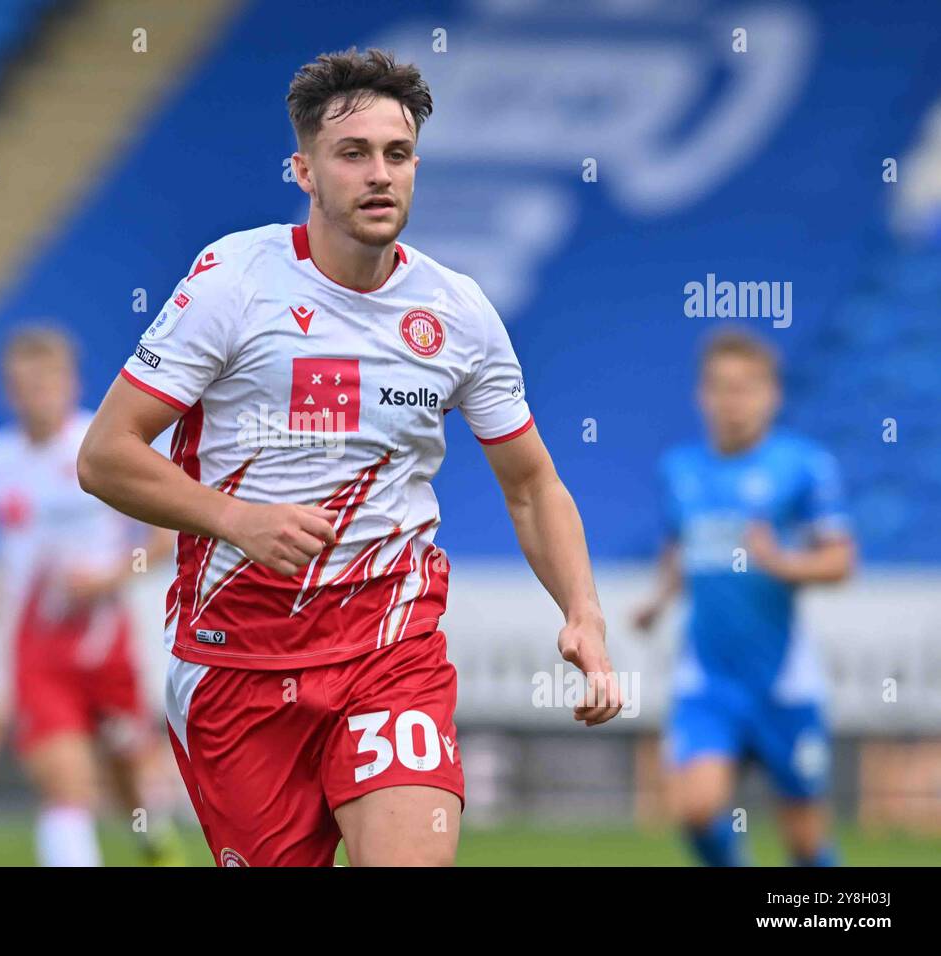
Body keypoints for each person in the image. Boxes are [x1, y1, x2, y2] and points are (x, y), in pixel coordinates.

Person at [78, 48, 621, 867]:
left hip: (390, 650)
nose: (380, 175)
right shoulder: (234, 284)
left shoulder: (458, 312)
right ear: (303, 169)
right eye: (353, 153)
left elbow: (532, 484)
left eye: (397, 155)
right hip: (237, 664)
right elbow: (105, 455)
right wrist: (236, 520)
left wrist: (582, 612)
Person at [632, 329, 856, 866]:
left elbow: (841, 560)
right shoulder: (680, 469)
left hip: (783, 680)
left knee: (804, 841)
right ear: (701, 396)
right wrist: (660, 599)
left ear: (772, 395)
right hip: (708, 676)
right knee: (697, 808)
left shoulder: (803, 466)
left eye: (747, 388)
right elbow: (681, 545)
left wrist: (781, 562)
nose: (733, 401)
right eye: (721, 388)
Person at [0, 325, 181, 866]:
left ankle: (153, 841)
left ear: (71, 382)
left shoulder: (103, 447)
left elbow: (161, 542)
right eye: (21, 385)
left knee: (128, 772)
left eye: (44, 382)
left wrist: (109, 579)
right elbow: (11, 541)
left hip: (104, 641)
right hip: (36, 646)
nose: (33, 395)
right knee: (65, 785)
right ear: (7, 390)